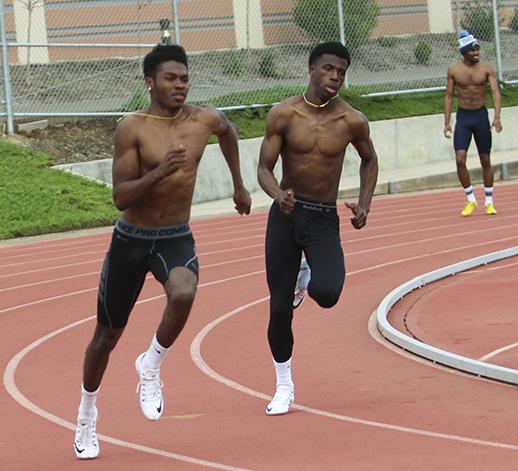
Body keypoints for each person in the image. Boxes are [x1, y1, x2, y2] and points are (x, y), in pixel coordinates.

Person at [73, 44, 252, 459]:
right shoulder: (131, 128)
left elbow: (227, 131)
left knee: (185, 292)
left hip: (175, 235)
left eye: (185, 78)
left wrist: (238, 184)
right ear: (150, 82)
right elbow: (120, 197)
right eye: (171, 78)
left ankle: (151, 363)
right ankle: (86, 415)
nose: (180, 85)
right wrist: (160, 171)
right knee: (105, 338)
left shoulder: (202, 119)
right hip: (132, 239)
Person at [257, 41, 379, 416]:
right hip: (286, 216)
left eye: (341, 72)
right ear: (311, 69)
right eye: (329, 69)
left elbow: (370, 160)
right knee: (279, 310)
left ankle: (306, 274)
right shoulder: (284, 114)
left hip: (323, 217)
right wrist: (278, 195)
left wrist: (364, 204)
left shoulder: (351, 120)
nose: (335, 77)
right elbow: (264, 168)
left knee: (327, 293)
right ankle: (283, 385)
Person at [444, 30, 502, 217]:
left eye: (477, 49)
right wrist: (447, 122)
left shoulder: (486, 68)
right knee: (460, 159)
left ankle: (489, 201)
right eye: (472, 50)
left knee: (485, 159)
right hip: (463, 117)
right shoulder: (454, 70)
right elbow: (448, 95)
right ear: (463, 52)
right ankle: (470, 199)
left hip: (480, 116)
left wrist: (497, 116)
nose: (476, 53)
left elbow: (495, 93)